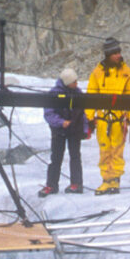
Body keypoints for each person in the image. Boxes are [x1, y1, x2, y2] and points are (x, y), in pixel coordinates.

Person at [86, 37, 130, 195]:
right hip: (102, 119)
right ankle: (106, 180)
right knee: (104, 151)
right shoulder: (98, 72)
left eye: (118, 52)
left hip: (118, 120)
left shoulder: (127, 72)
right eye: (114, 53)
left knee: (117, 151)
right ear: (108, 54)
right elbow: (91, 95)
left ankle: (115, 181)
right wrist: (89, 117)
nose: (118, 55)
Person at [39, 68, 89, 197]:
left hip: (74, 130)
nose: (76, 84)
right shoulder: (54, 94)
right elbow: (49, 113)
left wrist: (85, 129)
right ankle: (51, 185)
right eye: (74, 81)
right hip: (59, 130)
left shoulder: (77, 93)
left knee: (75, 157)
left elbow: (83, 113)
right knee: (56, 157)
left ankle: (76, 184)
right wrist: (61, 122)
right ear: (67, 82)